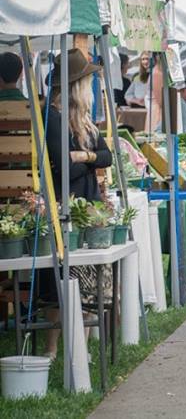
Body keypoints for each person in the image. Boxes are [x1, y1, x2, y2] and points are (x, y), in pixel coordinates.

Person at [41, 49, 113, 356]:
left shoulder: (84, 121)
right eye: (87, 80)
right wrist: (90, 161)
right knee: (59, 283)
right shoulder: (52, 118)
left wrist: (84, 156)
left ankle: (80, 349)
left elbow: (107, 156)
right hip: (64, 208)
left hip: (87, 207)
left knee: (84, 283)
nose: (91, 86)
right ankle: (53, 349)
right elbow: (63, 169)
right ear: (76, 85)